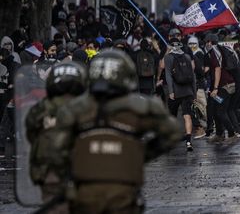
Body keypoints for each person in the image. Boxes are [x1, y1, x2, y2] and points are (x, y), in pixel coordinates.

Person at [51, 49, 180, 213]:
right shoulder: (140, 106)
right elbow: (173, 132)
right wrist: (140, 153)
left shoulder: (74, 108)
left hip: (85, 191)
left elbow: (56, 148)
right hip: (123, 192)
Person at [26, 61, 87, 214]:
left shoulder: (42, 107)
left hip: (49, 171)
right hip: (84, 169)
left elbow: (32, 133)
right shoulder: (88, 106)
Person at [164, 38, 196, 151]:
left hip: (176, 92)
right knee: (187, 116)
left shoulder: (168, 57)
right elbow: (193, 75)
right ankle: (188, 141)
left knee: (171, 116)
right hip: (188, 91)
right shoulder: (187, 57)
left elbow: (168, 75)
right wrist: (194, 92)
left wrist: (171, 91)